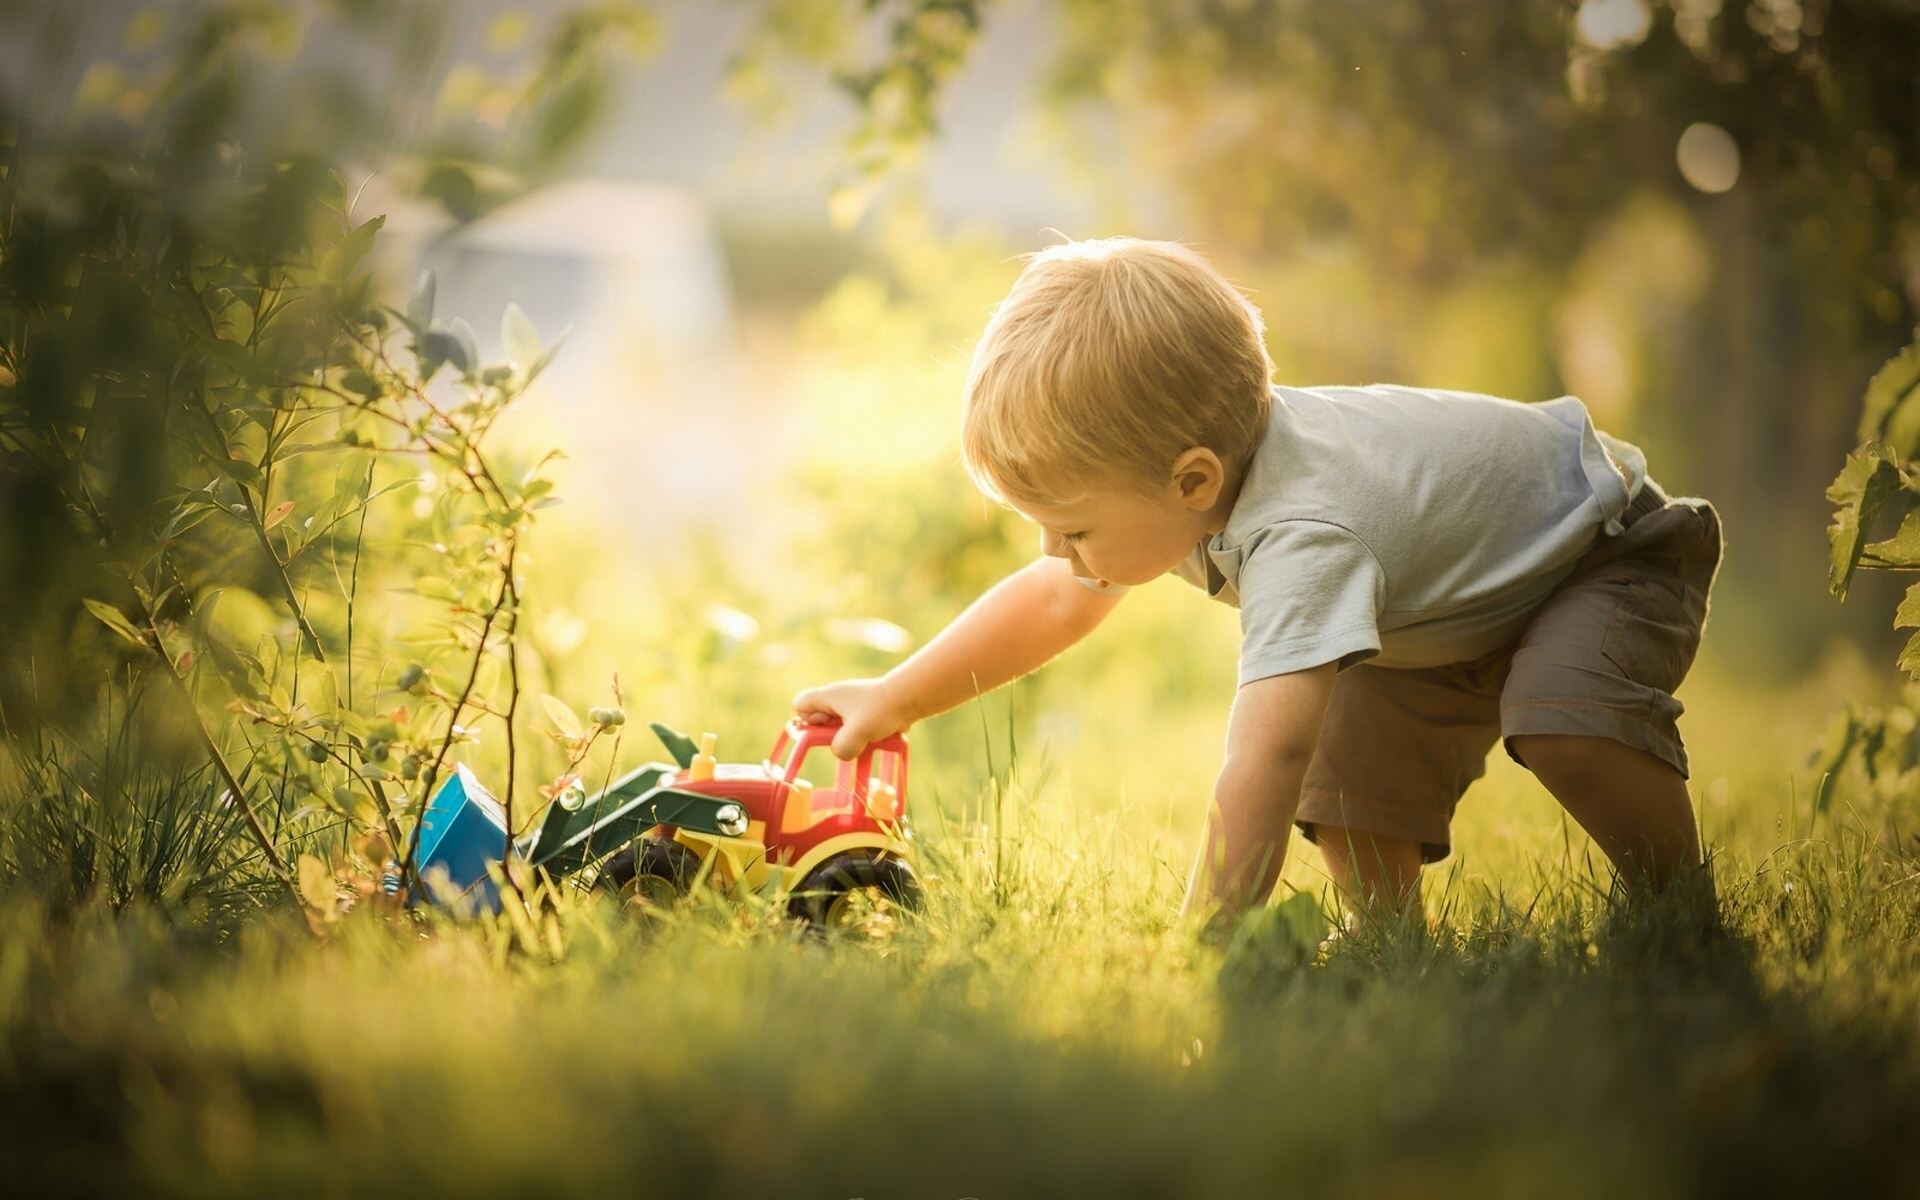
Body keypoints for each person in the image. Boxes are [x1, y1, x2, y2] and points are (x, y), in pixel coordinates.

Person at [791, 237, 1722, 931]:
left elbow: (1263, 761)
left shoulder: (1304, 531)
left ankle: (1679, 914)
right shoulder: (1202, 482)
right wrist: (895, 697)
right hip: (1456, 594)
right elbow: (1051, 597)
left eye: (1072, 527)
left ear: (1191, 480)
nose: (1055, 550)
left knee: (1560, 721)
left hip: (1604, 552)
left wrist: (1206, 942)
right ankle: (1390, 949)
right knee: (1351, 773)